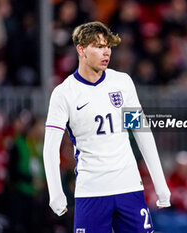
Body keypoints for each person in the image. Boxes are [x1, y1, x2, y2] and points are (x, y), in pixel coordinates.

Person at [43, 21, 171, 233]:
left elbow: (141, 132)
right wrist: (55, 192)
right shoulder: (65, 93)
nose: (106, 52)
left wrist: (160, 183)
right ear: (81, 50)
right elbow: (50, 148)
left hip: (129, 187)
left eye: (108, 46)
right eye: (99, 46)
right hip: (91, 192)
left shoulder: (122, 83)